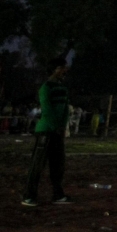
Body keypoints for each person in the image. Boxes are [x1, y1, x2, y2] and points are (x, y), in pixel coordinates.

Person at [22, 55, 70, 207]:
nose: (65, 70)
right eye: (62, 67)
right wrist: (56, 127)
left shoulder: (62, 88)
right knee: (37, 165)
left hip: (56, 131)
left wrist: (62, 127)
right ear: (54, 70)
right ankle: (28, 196)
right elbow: (47, 111)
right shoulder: (46, 88)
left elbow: (65, 110)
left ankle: (58, 195)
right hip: (45, 131)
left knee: (58, 165)